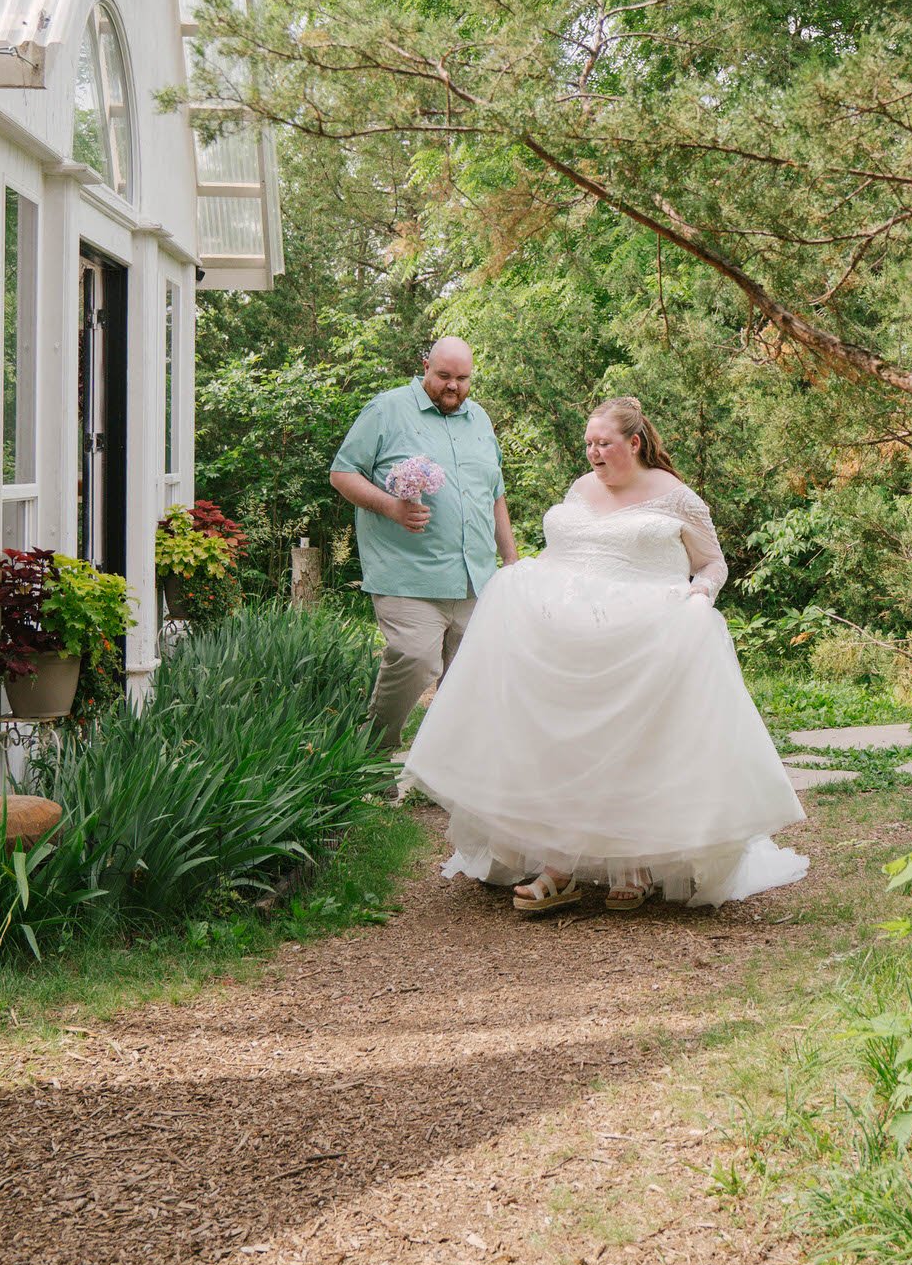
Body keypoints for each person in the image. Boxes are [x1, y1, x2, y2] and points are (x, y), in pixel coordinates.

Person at [403, 395, 807, 913]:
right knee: (562, 744)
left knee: (630, 744)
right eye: (589, 444)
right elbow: (567, 552)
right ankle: (557, 864)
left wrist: (699, 597)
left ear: (633, 443)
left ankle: (632, 860)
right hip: (568, 633)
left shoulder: (677, 497)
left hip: (645, 631)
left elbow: (712, 565)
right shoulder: (581, 487)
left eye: (604, 444)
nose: (593, 453)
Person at [330, 338, 517, 752]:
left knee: (468, 682)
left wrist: (511, 559)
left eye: (462, 379)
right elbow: (342, 474)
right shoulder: (386, 410)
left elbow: (495, 493)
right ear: (425, 366)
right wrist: (391, 507)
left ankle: (446, 772)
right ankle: (375, 750)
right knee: (416, 659)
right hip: (408, 573)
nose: (453, 386)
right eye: (444, 376)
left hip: (475, 579)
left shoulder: (480, 420)